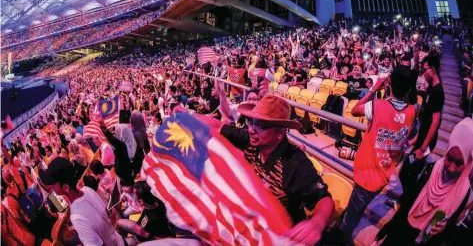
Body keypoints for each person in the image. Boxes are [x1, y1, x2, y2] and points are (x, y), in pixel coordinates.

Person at [195, 94, 334, 245]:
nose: (251, 130)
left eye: (260, 125)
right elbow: (217, 126)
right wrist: (185, 114)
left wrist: (317, 222)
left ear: (279, 134)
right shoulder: (251, 141)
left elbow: (323, 199)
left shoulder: (294, 163)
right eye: (251, 122)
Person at [338, 66, 416, 246]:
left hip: (367, 174)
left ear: (389, 84)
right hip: (384, 174)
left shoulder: (378, 106)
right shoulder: (411, 112)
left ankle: (343, 239)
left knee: (352, 216)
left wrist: (374, 88)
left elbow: (355, 110)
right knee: (356, 206)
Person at [376, 118, 473, 246]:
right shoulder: (431, 170)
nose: (451, 167)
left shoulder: (464, 192)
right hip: (401, 233)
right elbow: (407, 203)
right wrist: (386, 229)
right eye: (449, 158)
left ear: (468, 161)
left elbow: (451, 233)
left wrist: (444, 228)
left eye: (459, 163)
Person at [39, 157, 125, 246]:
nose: (51, 188)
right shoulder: (87, 189)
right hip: (118, 239)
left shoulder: (76, 217)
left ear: (65, 187)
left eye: (53, 184)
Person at [396, 54, 445, 205]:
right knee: (407, 173)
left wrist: (422, 148)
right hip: (422, 140)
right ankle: (406, 202)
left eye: (425, 70)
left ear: (433, 69)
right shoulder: (431, 90)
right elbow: (425, 122)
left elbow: (435, 123)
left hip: (426, 144)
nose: (423, 74)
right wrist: (415, 140)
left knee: (407, 173)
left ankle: (407, 204)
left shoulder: (438, 92)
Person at [117, 181, 199, 246]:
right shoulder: (153, 202)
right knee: (118, 222)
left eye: (135, 196)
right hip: (138, 227)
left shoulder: (160, 217)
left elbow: (169, 239)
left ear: (141, 201)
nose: (133, 197)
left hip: (142, 238)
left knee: (119, 243)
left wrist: (145, 234)